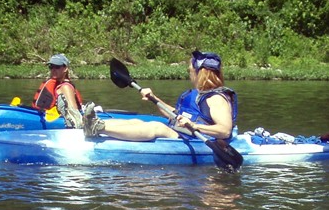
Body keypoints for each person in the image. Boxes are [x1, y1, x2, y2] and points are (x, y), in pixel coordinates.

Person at [80, 51, 236, 142]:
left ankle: (100, 128)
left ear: (200, 73)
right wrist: (154, 99)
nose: (189, 74)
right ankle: (92, 124)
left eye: (190, 71)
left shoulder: (216, 99)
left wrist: (195, 126)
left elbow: (225, 131)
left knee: (157, 127)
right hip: (184, 133)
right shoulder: (199, 95)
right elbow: (176, 115)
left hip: (198, 140)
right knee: (136, 121)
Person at [32, 54, 85, 127]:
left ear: (65, 69)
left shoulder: (65, 87)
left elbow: (75, 112)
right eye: (51, 67)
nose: (53, 70)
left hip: (71, 124)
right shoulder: (56, 84)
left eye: (57, 67)